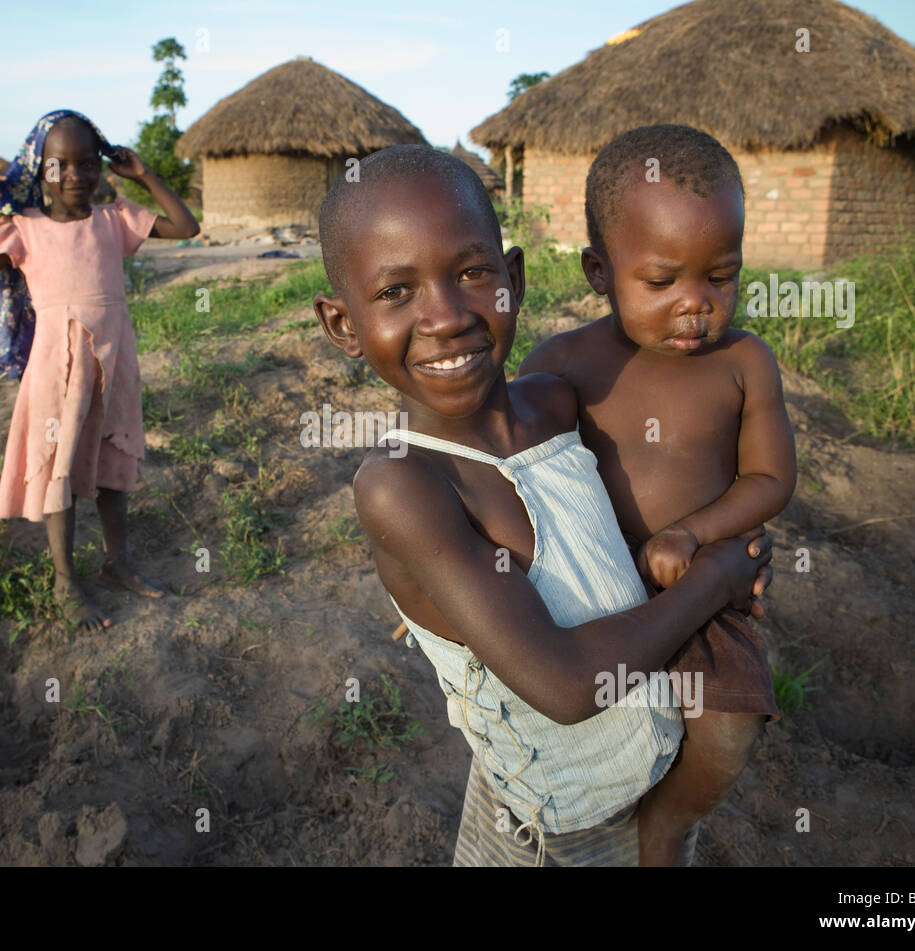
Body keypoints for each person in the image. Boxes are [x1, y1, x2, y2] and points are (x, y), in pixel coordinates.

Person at [312, 145, 773, 865]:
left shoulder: (557, 404)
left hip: (651, 768)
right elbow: (564, 684)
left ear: (514, 280)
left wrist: (719, 533)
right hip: (555, 831)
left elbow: (647, 496)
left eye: (471, 273)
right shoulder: (402, 484)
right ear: (342, 326)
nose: (445, 317)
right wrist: (718, 579)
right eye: (396, 292)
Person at [521, 124, 797, 864]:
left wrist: (693, 535)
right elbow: (507, 470)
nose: (695, 304)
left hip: (703, 586)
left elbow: (771, 479)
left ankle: (666, 827)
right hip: (588, 596)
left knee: (729, 726)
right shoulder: (564, 363)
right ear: (599, 271)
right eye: (662, 280)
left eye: (721, 276)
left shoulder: (744, 363)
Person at [0, 110, 200, 630]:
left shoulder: (115, 220)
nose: (74, 175)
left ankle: (118, 562)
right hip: (54, 368)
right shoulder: (23, 230)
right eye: (58, 165)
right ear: (38, 169)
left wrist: (145, 175)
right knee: (58, 465)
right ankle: (66, 581)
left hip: (114, 360)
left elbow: (186, 226)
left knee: (113, 457)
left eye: (87, 163)